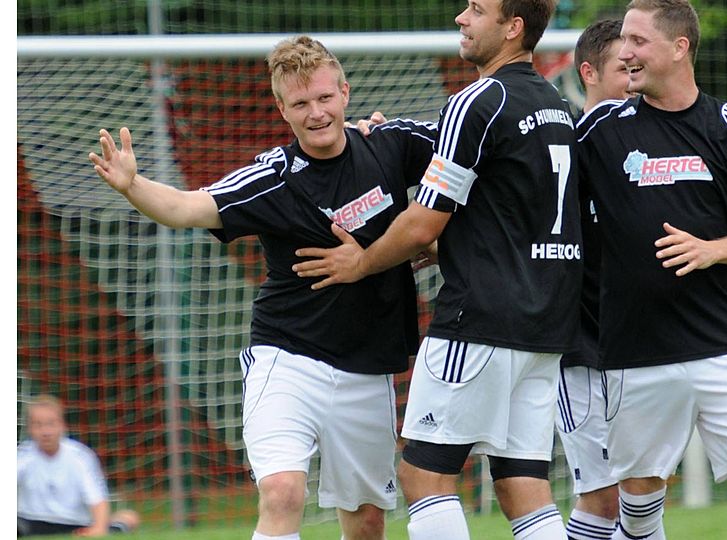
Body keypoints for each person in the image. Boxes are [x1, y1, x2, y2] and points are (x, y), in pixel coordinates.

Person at [88, 36, 437, 540]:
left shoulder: (390, 144)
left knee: (366, 523)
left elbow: (469, 151)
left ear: (345, 91)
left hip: (367, 365)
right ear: (281, 109)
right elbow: (188, 207)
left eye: (324, 98)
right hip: (288, 359)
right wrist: (132, 186)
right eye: (300, 104)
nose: (316, 113)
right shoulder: (273, 177)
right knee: (282, 491)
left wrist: (439, 244)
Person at [291, 1, 582, 538]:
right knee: (523, 483)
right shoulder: (555, 103)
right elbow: (512, 213)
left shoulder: (477, 101)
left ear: (513, 28)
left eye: (477, 9)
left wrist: (361, 262)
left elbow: (422, 224)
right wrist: (462, 245)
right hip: (546, 323)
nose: (461, 18)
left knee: (424, 476)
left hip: (481, 319)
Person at [575, 1, 727, 539]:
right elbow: (528, 180)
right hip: (635, 356)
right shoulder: (598, 132)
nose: (627, 53)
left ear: (680, 47)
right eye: (623, 43)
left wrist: (712, 250)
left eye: (638, 41)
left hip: (724, 347)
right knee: (636, 513)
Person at [17, 395, 141, 537]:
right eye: (38, 425)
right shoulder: (22, 455)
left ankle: (116, 525)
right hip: (29, 523)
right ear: (29, 429)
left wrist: (99, 528)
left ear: (62, 425)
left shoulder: (80, 456)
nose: (46, 432)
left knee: (130, 517)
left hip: (74, 525)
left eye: (51, 424)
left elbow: (97, 498)